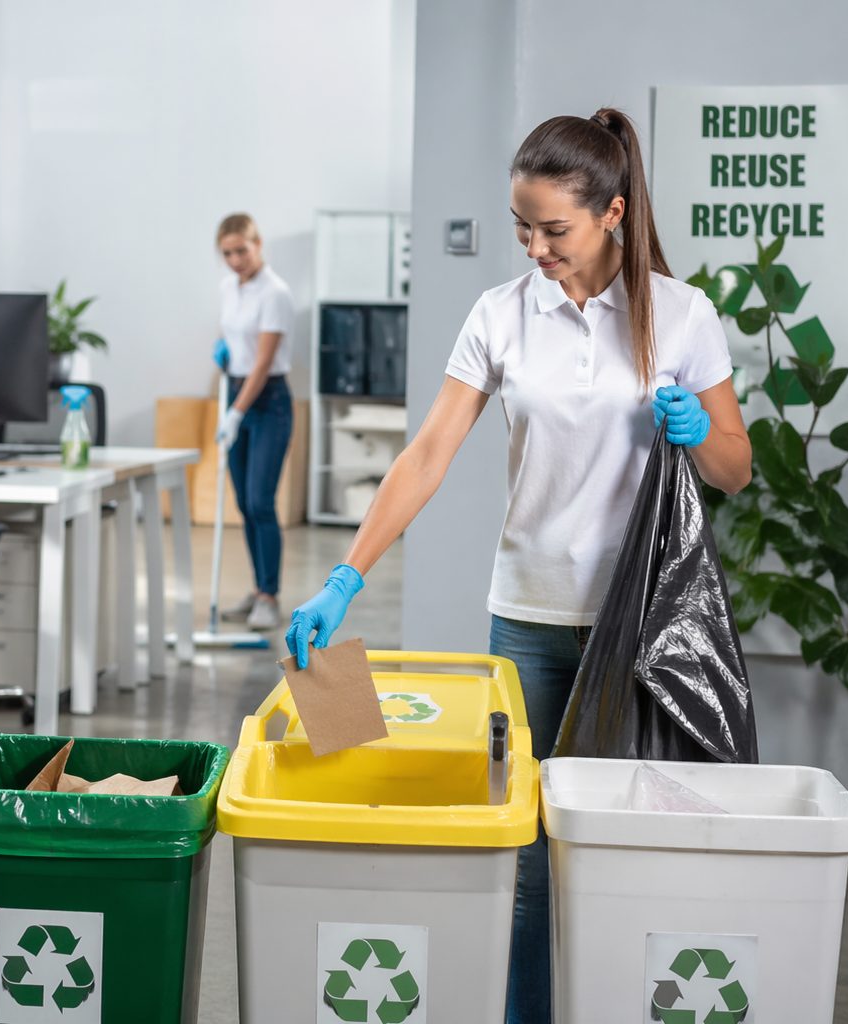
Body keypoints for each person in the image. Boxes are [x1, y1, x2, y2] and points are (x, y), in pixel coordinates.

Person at [284, 109, 752, 1021]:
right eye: (521, 227)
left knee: (629, 853)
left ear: (613, 212)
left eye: (554, 229)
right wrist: (346, 577)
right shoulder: (500, 314)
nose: (534, 247)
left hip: (644, 632)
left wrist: (699, 439)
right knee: (529, 865)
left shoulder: (681, 313)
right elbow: (425, 455)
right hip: (529, 621)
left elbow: (735, 464)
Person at [211, 212, 296, 631]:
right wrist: (223, 351)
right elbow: (233, 338)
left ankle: (269, 596)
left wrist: (236, 411)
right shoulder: (229, 287)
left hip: (267, 401)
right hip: (236, 391)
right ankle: (257, 587)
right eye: (227, 253)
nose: (235, 260)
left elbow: (263, 363)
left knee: (261, 501)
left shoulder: (275, 293)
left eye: (241, 250)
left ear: (257, 244)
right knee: (244, 503)